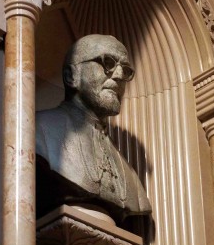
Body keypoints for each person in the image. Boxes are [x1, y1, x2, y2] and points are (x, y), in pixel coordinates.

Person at [36, 34, 151, 223]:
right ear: (71, 76)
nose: (119, 75)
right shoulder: (38, 129)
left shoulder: (130, 175)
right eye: (108, 62)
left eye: (126, 70)